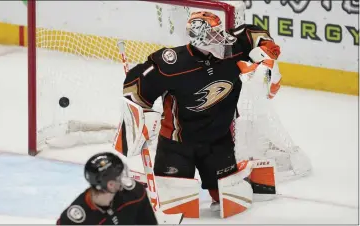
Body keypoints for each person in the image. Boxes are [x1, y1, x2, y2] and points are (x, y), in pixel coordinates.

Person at [121, 10, 283, 211]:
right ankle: (145, 186)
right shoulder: (173, 62)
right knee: (178, 207)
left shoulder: (234, 48)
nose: (221, 38)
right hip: (177, 144)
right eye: (214, 35)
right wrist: (140, 116)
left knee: (232, 202)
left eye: (219, 32)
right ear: (199, 39)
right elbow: (134, 87)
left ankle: (235, 175)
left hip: (218, 141)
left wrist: (266, 48)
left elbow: (252, 33)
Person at [56, 152, 158, 225]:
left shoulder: (134, 193)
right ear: (110, 185)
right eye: (120, 176)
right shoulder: (74, 220)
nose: (124, 179)